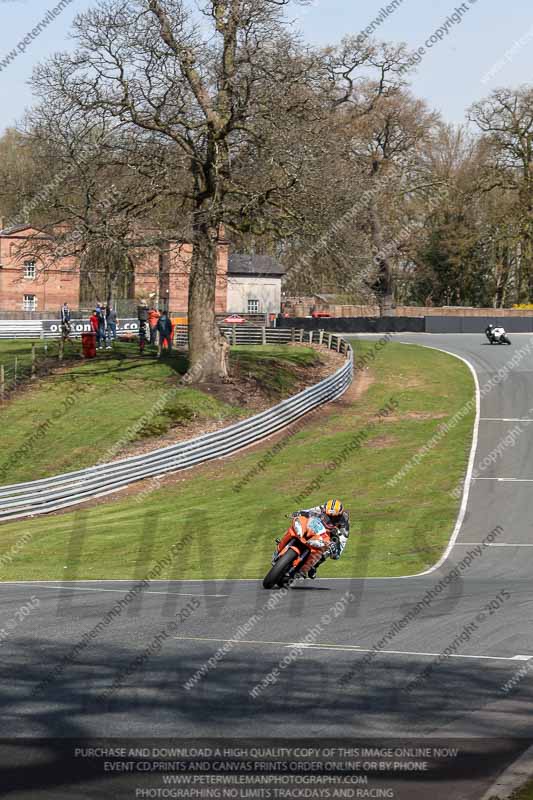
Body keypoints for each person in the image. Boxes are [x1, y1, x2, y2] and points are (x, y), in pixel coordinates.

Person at [291, 498, 350, 578]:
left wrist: (336, 550)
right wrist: (299, 513)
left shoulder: (344, 523)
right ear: (324, 511)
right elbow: (308, 511)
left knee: (329, 550)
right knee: (299, 523)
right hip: (317, 526)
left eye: (334, 518)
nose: (331, 520)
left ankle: (314, 566)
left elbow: (342, 541)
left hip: (328, 534)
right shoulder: (323, 508)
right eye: (328, 516)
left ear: (340, 515)